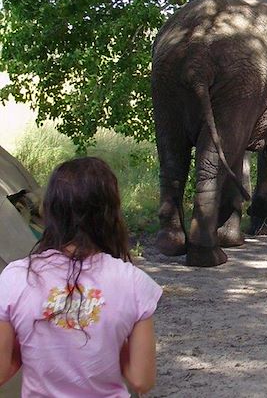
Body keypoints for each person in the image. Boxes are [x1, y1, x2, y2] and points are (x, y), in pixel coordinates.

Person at [0, 157, 162, 396]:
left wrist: (31, 347)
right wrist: (108, 343)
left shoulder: (15, 277)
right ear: (111, 214)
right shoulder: (133, 282)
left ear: (50, 210)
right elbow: (141, 380)